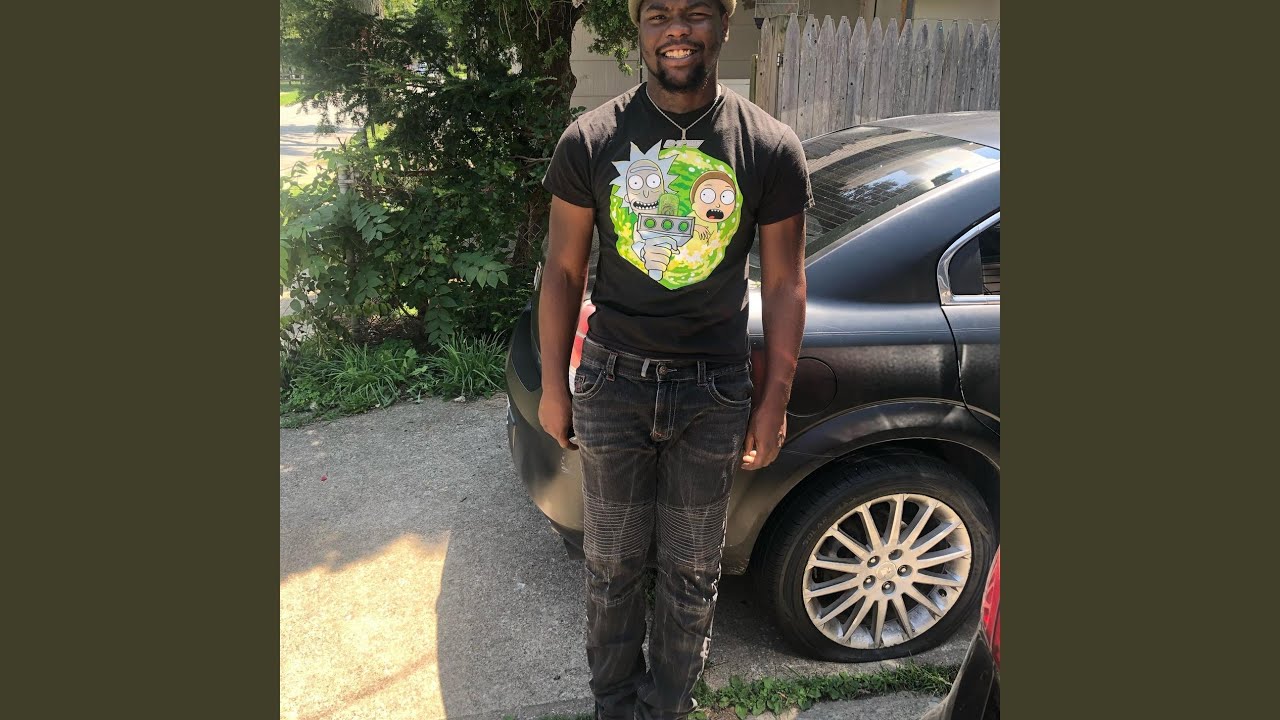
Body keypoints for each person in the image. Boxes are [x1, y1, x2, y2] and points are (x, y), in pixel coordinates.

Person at [537, 1, 811, 718]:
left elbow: (786, 282)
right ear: (639, 28)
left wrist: (774, 399)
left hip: (714, 393)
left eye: (695, 13)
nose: (676, 31)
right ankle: (613, 705)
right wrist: (554, 386)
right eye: (657, 14)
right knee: (612, 565)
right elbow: (562, 272)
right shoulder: (592, 139)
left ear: (724, 24)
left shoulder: (769, 147)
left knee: (692, 573)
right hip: (613, 382)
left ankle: (666, 708)